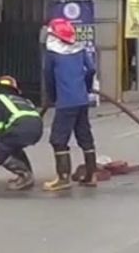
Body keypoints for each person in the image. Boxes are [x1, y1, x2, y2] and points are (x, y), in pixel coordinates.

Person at [42, 18, 99, 191]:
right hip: (82, 100)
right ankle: (91, 174)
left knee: (58, 140)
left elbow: (48, 77)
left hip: (65, 102)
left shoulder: (52, 54)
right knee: (85, 137)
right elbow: (91, 70)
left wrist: (53, 97)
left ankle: (63, 178)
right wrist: (86, 88)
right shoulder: (80, 50)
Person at [0, 75, 42, 191]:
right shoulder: (24, 100)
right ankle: (27, 174)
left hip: (20, 129)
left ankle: (25, 175)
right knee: (14, 148)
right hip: (37, 129)